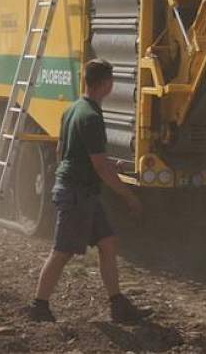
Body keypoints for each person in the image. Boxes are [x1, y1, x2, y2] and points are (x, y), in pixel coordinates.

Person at [26, 59, 149, 324]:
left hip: (82, 191)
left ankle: (118, 305)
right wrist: (129, 197)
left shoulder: (72, 110)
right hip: (77, 194)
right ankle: (39, 306)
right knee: (62, 252)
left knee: (108, 243)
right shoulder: (92, 116)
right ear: (107, 84)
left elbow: (63, 151)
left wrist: (97, 166)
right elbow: (101, 167)